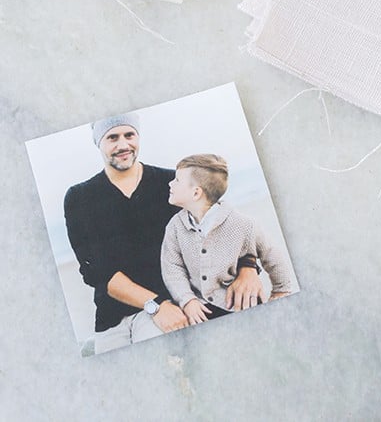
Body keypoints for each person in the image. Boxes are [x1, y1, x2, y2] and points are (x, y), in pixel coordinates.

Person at [64, 115, 264, 354]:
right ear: (99, 142)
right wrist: (156, 306)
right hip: (116, 317)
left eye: (129, 135)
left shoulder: (172, 183)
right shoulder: (80, 198)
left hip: (175, 305)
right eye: (112, 138)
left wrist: (248, 268)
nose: (123, 145)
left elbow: (224, 225)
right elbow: (96, 273)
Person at [161, 153, 294, 325]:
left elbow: (272, 255)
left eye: (177, 180)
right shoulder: (175, 227)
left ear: (196, 193)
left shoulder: (243, 224)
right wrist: (187, 300)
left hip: (240, 303)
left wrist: (281, 291)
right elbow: (172, 267)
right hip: (199, 309)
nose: (170, 183)